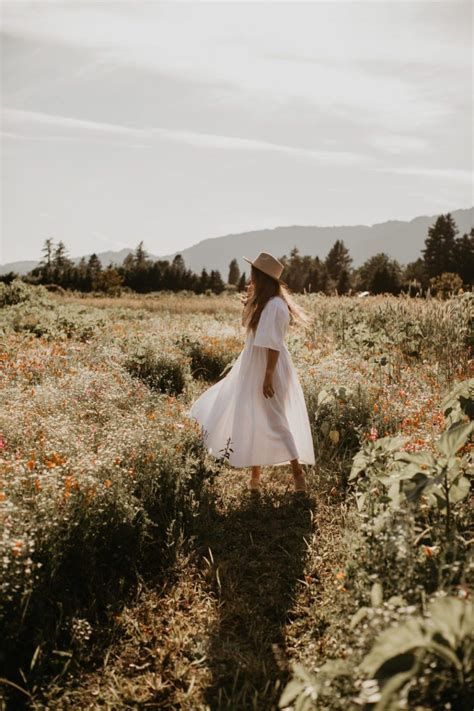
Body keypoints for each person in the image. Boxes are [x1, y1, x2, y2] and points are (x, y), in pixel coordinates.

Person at [186, 251, 315, 493]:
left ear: (263, 277)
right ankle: (255, 477)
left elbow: (273, 344)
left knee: (276, 419)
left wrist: (267, 377)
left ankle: (298, 475)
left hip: (269, 366)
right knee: (253, 414)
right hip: (253, 364)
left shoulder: (276, 305)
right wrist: (250, 301)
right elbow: (249, 329)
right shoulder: (264, 302)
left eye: (254, 274)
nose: (250, 278)